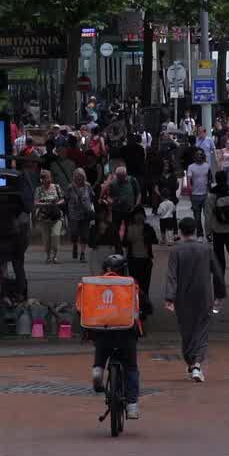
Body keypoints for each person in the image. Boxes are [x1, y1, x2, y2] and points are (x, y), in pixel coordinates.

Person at [81, 254, 143, 416]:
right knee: (131, 367)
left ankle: (98, 370)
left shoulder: (96, 285)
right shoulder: (130, 284)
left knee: (101, 351)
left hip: (102, 332)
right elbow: (146, 304)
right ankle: (132, 405)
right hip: (126, 334)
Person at [162, 218, 221, 382]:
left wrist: (169, 297)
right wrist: (220, 294)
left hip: (183, 297)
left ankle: (192, 363)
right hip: (204, 296)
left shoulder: (176, 251)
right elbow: (217, 273)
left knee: (186, 331)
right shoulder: (206, 249)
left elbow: (172, 275)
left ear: (180, 232)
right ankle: (196, 364)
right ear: (195, 230)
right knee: (201, 332)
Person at [121, 201, 157, 318]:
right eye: (137, 215)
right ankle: (135, 306)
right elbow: (124, 243)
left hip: (146, 260)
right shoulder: (129, 228)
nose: (139, 217)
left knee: (145, 286)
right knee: (134, 285)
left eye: (141, 215)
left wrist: (144, 235)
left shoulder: (148, 228)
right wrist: (130, 237)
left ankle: (144, 308)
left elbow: (154, 239)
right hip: (133, 260)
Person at [64, 168, 96, 264]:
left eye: (81, 177)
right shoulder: (70, 187)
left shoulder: (88, 186)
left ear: (84, 177)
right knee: (74, 232)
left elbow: (92, 197)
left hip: (85, 213)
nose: (79, 179)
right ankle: (74, 244)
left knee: (84, 235)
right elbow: (66, 198)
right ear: (74, 177)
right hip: (73, 213)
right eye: (77, 177)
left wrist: (90, 208)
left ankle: (82, 254)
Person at [34, 170, 65, 264]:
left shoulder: (56, 187)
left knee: (55, 235)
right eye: (44, 178)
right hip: (44, 217)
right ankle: (48, 256)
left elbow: (63, 199)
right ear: (41, 180)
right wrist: (46, 204)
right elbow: (35, 202)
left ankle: (55, 256)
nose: (47, 180)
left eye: (48, 177)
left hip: (56, 216)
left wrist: (56, 204)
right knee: (46, 239)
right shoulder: (38, 189)